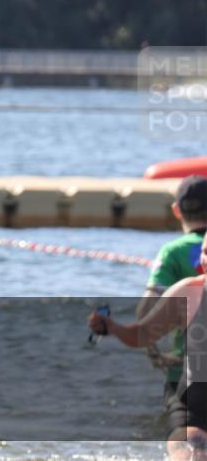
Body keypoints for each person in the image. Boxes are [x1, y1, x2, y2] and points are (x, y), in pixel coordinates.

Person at [88, 238, 207, 461]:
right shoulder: (188, 293)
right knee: (191, 455)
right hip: (194, 405)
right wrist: (111, 327)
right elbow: (142, 335)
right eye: (205, 252)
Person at [138, 176, 206, 423]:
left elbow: (146, 306)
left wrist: (154, 353)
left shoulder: (173, 251)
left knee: (184, 436)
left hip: (185, 370)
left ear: (177, 210)